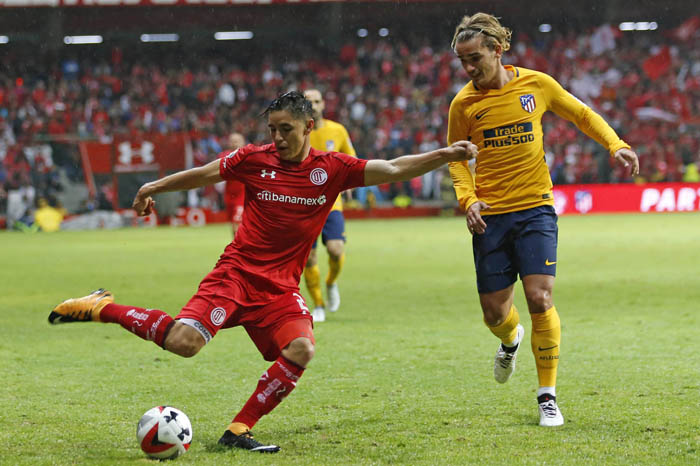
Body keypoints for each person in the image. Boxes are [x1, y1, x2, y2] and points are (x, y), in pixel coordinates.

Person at [49, 91, 477, 453]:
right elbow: (205, 174)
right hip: (236, 275)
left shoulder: (332, 169)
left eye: (286, 129)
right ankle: (102, 307)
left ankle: (238, 430)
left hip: (279, 289)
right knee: (183, 343)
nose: (277, 137)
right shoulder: (254, 158)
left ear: (308, 127)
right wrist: (152, 186)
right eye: (272, 129)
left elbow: (394, 167)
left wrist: (445, 154)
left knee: (301, 349)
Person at [447, 13, 639, 427]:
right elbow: (457, 160)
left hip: (536, 208)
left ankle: (546, 395)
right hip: (491, 217)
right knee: (494, 314)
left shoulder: (536, 84)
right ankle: (511, 339)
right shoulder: (463, 104)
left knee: (540, 298)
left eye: (475, 58)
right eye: (462, 61)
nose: (468, 68)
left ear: (498, 50)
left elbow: (581, 114)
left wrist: (615, 144)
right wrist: (468, 200)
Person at [301, 88, 355, 323]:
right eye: (308, 102)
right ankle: (318, 305)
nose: (313, 105)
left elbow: (351, 159)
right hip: (304, 205)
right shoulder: (296, 132)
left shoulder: (337, 130)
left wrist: (351, 182)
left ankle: (331, 282)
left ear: (323, 104)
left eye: (316, 101)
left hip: (331, 202)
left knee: (335, 249)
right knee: (309, 258)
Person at [219, 132, 247, 236]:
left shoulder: (248, 156)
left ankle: (240, 245)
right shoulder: (223, 156)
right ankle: (236, 243)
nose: (234, 143)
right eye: (232, 141)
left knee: (237, 224)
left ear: (243, 143)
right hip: (229, 196)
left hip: (242, 196)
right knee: (233, 225)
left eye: (237, 141)